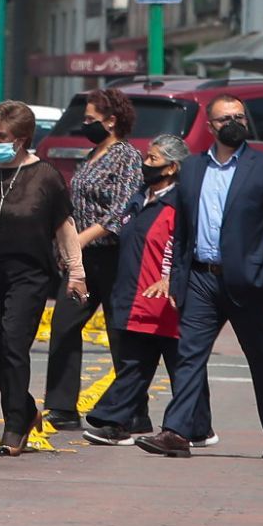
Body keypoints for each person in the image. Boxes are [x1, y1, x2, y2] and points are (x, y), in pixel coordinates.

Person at [137, 94, 263, 459]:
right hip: (201, 279)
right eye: (225, 119)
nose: (234, 123)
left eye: (239, 116)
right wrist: (178, 278)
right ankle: (176, 432)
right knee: (189, 355)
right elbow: (183, 230)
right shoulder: (192, 169)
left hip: (247, 281)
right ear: (211, 127)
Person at [0, 100, 86, 455]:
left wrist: (75, 272)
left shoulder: (45, 176)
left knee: (14, 345)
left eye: (1, 135)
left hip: (29, 274)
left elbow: (65, 226)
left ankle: (14, 426)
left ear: (21, 138)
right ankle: (27, 408)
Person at [84, 135, 214, 446]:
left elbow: (182, 248)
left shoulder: (182, 203)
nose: (145, 164)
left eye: (153, 159)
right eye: (147, 157)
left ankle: (183, 427)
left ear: (172, 168)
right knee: (138, 362)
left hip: (166, 300)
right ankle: (191, 426)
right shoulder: (140, 198)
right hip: (134, 294)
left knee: (179, 364)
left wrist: (171, 279)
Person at [44, 87, 144, 430]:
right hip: (82, 261)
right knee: (64, 325)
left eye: (91, 119)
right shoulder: (92, 156)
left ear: (111, 121)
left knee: (120, 335)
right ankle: (62, 407)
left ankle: (133, 412)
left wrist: (80, 241)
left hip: (113, 257)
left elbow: (122, 211)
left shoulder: (126, 156)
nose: (85, 125)